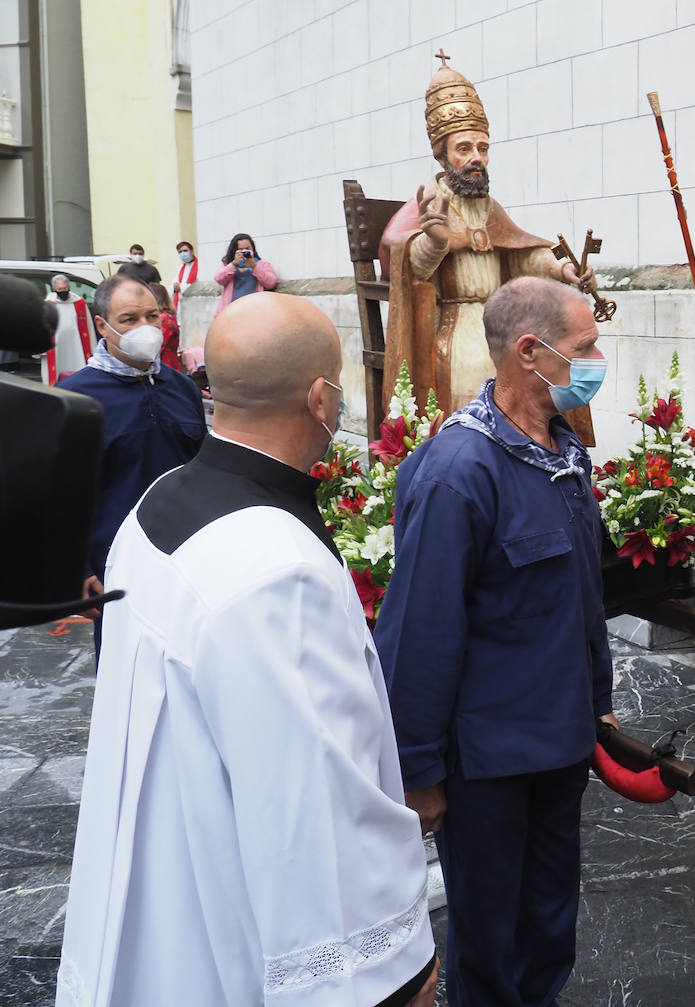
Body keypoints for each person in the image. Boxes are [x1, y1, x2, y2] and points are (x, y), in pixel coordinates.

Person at [58, 292, 438, 1007]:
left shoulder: (157, 501)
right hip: (232, 946)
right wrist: (395, 972)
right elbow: (311, 806)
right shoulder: (276, 570)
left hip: (162, 908)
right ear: (321, 398)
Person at [375, 276, 618, 1006]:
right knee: (491, 945)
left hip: (559, 746)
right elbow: (419, 633)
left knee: (548, 927)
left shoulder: (559, 450)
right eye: (585, 347)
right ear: (530, 351)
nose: (598, 358)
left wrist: (598, 707)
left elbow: (578, 601)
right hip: (489, 766)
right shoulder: (460, 471)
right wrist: (418, 772)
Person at [379, 52, 598, 442]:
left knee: (549, 360)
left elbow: (522, 253)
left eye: (483, 148)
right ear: (441, 154)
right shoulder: (428, 206)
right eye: (464, 148)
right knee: (479, 364)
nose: (476, 158)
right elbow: (408, 268)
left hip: (504, 319)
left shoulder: (490, 208)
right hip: (453, 324)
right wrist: (434, 242)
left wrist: (564, 270)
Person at [57, 275, 206, 654]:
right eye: (129, 319)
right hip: (116, 572)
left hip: (188, 562)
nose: (145, 328)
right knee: (127, 680)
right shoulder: (74, 400)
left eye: (151, 316)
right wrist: (77, 570)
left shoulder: (182, 388)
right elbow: (55, 494)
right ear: (102, 325)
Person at [42, 273, 92, 384]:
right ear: (54, 289)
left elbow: (88, 328)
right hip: (56, 348)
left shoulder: (79, 303)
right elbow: (42, 328)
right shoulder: (48, 304)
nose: (63, 291)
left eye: (65, 288)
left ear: (69, 287)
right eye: (59, 289)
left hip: (76, 346)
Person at [214, 232, 278, 315]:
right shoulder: (228, 265)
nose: (244, 251)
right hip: (231, 312)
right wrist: (233, 264)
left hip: (254, 311)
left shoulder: (262, 265)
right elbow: (219, 279)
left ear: (253, 249)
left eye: (247, 248)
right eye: (241, 249)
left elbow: (271, 283)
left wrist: (255, 267)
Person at [149, 282, 182, 371]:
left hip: (165, 365)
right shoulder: (169, 316)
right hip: (170, 363)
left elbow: (159, 345)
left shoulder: (163, 319)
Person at [172, 238, 198, 312]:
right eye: (180, 252)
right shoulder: (181, 268)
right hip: (181, 304)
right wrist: (175, 286)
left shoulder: (200, 266)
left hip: (194, 304)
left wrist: (181, 287)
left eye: (185, 251)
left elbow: (198, 286)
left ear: (192, 251)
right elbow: (174, 284)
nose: (182, 254)